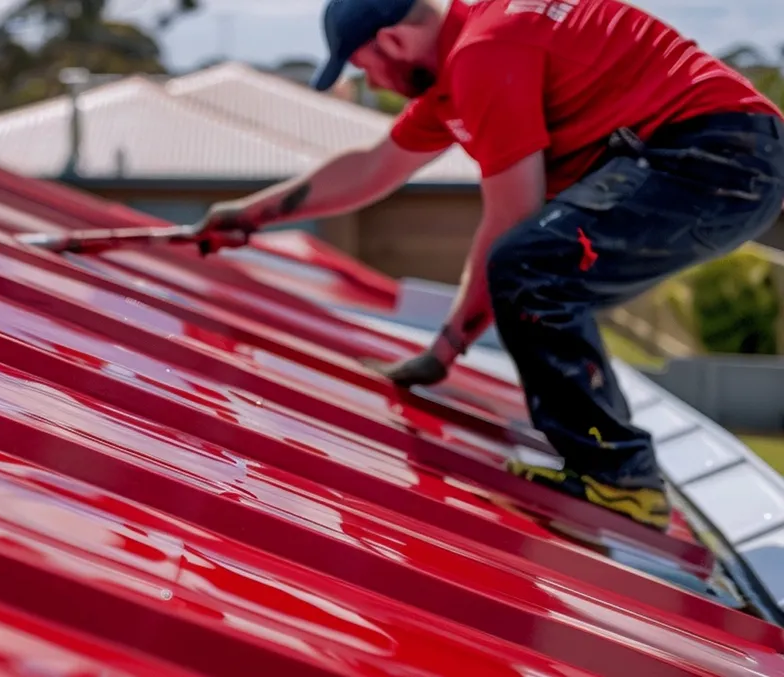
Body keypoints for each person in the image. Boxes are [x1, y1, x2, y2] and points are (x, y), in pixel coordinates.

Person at [192, 0, 784, 531]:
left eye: (363, 66)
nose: (372, 81)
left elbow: (511, 223)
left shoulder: (487, 52)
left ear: (393, 41)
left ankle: (617, 478)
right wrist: (253, 213)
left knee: (532, 266)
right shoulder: (462, 66)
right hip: (723, 150)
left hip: (709, 152)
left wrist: (446, 347)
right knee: (546, 267)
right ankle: (614, 463)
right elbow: (376, 168)